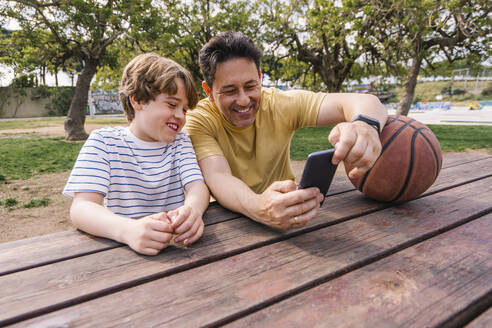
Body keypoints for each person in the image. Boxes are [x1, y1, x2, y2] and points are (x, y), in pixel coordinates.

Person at [185, 31, 387, 230]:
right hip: (228, 223)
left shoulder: (279, 104)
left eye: (251, 86)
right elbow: (218, 175)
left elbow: (365, 101)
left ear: (260, 78)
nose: (244, 100)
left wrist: (365, 126)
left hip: (294, 212)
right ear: (209, 91)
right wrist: (259, 206)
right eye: (230, 91)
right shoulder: (198, 120)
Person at [64, 53, 210, 255]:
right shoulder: (104, 142)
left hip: (176, 251)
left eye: (184, 109)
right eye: (171, 104)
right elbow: (82, 208)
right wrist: (128, 230)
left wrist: (193, 210)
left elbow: (197, 186)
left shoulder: (180, 142)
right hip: (123, 252)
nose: (180, 116)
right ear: (138, 100)